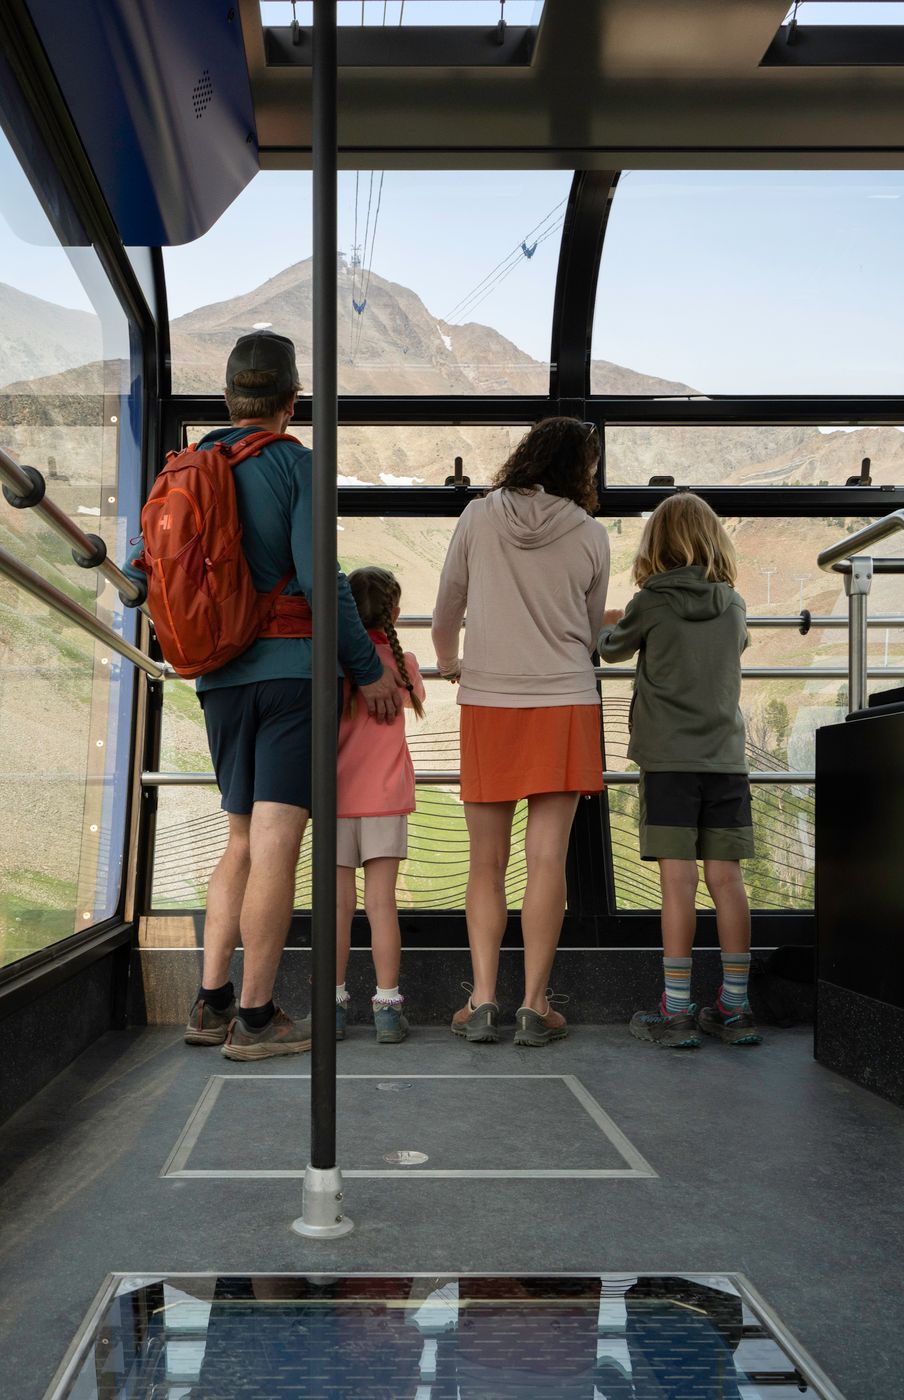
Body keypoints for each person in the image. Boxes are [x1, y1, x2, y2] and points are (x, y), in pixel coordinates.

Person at [130, 331, 402, 1060]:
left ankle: (210, 1001)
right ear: (290, 403)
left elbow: (146, 569)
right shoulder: (294, 463)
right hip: (289, 675)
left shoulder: (185, 468)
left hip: (218, 679)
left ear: (227, 399)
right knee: (280, 840)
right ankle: (256, 1019)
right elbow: (322, 581)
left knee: (242, 838)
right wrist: (368, 670)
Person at [430, 417, 608, 1048]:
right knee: (547, 858)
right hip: (565, 701)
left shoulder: (478, 517)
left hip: (489, 700)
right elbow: (589, 630)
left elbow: (447, 605)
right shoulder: (590, 533)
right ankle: (535, 1005)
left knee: (486, 861)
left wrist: (451, 663)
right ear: (579, 470)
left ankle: (481, 1001)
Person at [599, 492, 760, 1049]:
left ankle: (676, 1012)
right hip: (725, 760)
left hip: (669, 764)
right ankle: (735, 1009)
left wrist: (611, 622)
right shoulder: (734, 603)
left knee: (678, 884)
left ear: (656, 546)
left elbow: (611, 649)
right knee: (727, 881)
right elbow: (733, 645)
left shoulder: (652, 601)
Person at [334, 566, 424, 1045]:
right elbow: (418, 698)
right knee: (381, 905)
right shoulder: (402, 661)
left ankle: (334, 1006)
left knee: (338, 907)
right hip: (386, 800)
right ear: (394, 612)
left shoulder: (336, 659)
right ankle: (387, 1008)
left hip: (336, 799)